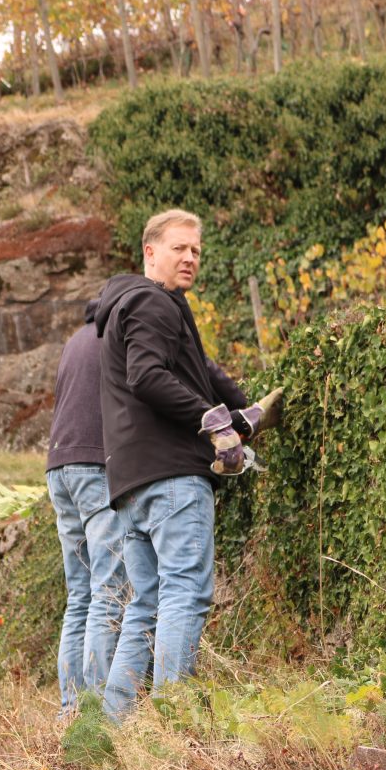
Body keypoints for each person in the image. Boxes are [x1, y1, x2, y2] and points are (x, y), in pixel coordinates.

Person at [94, 209, 281, 720]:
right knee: (185, 594)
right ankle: (174, 723)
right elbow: (148, 376)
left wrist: (247, 411)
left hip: (129, 482)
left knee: (145, 607)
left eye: (196, 250)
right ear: (150, 252)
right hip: (173, 475)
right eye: (179, 248)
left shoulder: (128, 309)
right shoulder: (154, 303)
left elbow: (201, 372)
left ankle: (113, 731)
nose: (190, 258)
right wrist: (214, 421)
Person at [46, 299, 128, 718]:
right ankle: (97, 711)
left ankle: (71, 709)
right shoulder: (120, 335)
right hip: (95, 466)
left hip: (59, 469)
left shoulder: (76, 340)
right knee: (107, 591)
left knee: (79, 596)